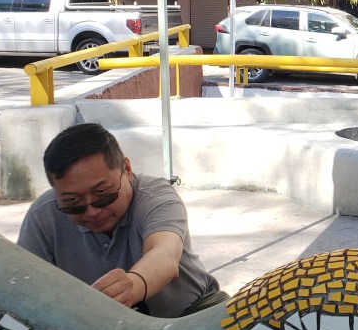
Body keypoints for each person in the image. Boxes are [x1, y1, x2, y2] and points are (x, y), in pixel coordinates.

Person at [17, 123, 225, 318]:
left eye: (102, 193)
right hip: (96, 329)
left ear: (127, 169)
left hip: (191, 314)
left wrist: (133, 285)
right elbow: (23, 287)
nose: (92, 212)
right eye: (73, 202)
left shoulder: (156, 198)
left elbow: (165, 254)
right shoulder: (43, 216)